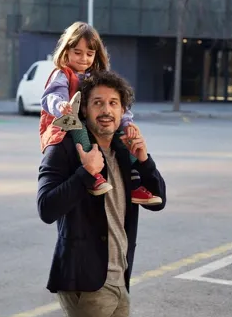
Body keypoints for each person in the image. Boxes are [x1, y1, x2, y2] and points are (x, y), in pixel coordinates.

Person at [37, 70, 167, 317]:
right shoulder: (64, 149)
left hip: (120, 278)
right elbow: (46, 208)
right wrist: (86, 173)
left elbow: (159, 200)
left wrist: (144, 160)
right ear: (83, 109)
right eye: (97, 103)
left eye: (113, 103)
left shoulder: (123, 150)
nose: (106, 110)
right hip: (86, 282)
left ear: (122, 112)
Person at [39, 21, 161, 206]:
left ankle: (135, 183)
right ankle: (94, 175)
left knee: (126, 139)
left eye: (89, 54)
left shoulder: (97, 77)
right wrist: (61, 105)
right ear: (66, 52)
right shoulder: (63, 75)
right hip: (67, 124)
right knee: (79, 130)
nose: (83, 59)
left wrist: (127, 125)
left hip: (90, 126)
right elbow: (51, 96)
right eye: (77, 53)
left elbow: (120, 106)